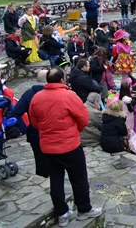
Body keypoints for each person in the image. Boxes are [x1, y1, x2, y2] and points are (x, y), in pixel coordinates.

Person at [28, 68, 103, 226]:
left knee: (56, 179)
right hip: (69, 145)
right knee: (79, 179)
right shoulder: (69, 96)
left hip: (48, 147)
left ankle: (61, 213)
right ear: (62, 79)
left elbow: (34, 122)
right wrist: (75, 131)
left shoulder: (37, 97)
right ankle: (83, 209)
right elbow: (83, 118)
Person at [7, 70, 48, 177]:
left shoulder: (28, 94)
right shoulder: (54, 94)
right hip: (51, 130)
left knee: (39, 157)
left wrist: (22, 128)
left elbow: (16, 112)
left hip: (35, 131)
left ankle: (43, 173)